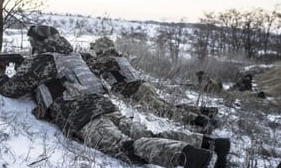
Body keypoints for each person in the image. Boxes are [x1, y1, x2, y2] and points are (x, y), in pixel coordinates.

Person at [0, 25, 230, 168]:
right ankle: (211, 144)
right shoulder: (74, 56)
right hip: (107, 107)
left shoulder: (42, 60)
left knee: (125, 148)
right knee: (147, 135)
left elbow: (11, 89)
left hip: (84, 116)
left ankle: (187, 157)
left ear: (36, 43)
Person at [84, 37, 220, 134]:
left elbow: (93, 67)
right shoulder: (119, 57)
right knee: (167, 106)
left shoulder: (108, 59)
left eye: (95, 48)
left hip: (136, 91)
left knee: (164, 110)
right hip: (143, 86)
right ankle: (204, 111)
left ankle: (200, 120)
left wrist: (83, 57)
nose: (94, 51)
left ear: (101, 49)